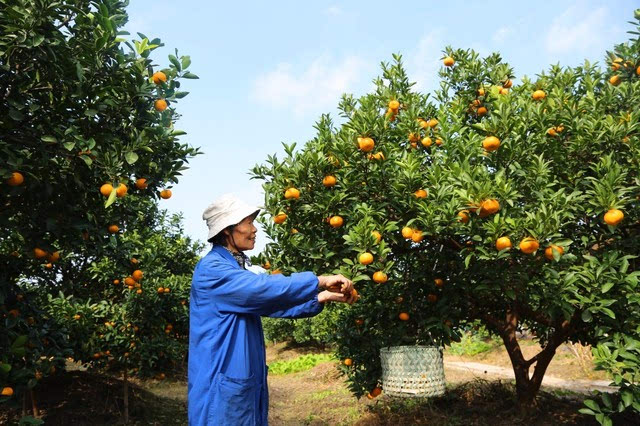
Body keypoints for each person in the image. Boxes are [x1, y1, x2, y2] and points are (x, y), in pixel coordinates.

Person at [188, 194, 355, 425]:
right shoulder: (212, 270)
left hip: (238, 386)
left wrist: (322, 297)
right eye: (249, 222)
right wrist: (319, 280)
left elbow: (273, 305)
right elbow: (262, 289)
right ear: (228, 230)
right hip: (220, 390)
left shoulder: (232, 269)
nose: (254, 229)